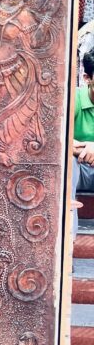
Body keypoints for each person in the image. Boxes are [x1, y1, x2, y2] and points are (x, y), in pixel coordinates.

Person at [72, 49, 94, 236]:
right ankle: (69, 240)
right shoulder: (75, 99)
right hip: (79, 166)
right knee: (67, 165)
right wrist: (83, 150)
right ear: (87, 78)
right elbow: (56, 138)